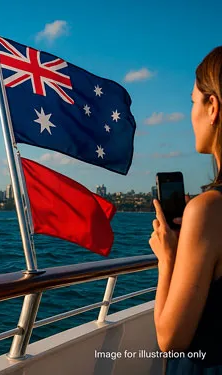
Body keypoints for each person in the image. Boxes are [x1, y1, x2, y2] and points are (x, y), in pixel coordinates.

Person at [150, 46, 222, 374]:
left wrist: (167, 258)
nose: (190, 113)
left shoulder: (207, 210)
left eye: (193, 101)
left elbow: (170, 339)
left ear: (213, 107)